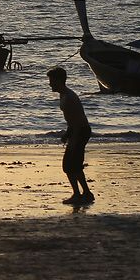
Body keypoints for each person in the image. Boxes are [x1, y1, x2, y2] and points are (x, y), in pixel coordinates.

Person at [48, 66, 94, 204]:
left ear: (59, 81)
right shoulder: (64, 94)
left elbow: (78, 120)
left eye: (51, 81)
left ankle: (80, 194)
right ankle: (84, 193)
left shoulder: (69, 97)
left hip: (80, 131)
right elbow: (72, 119)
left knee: (70, 165)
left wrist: (73, 137)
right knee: (72, 165)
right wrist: (68, 134)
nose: (49, 84)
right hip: (76, 130)